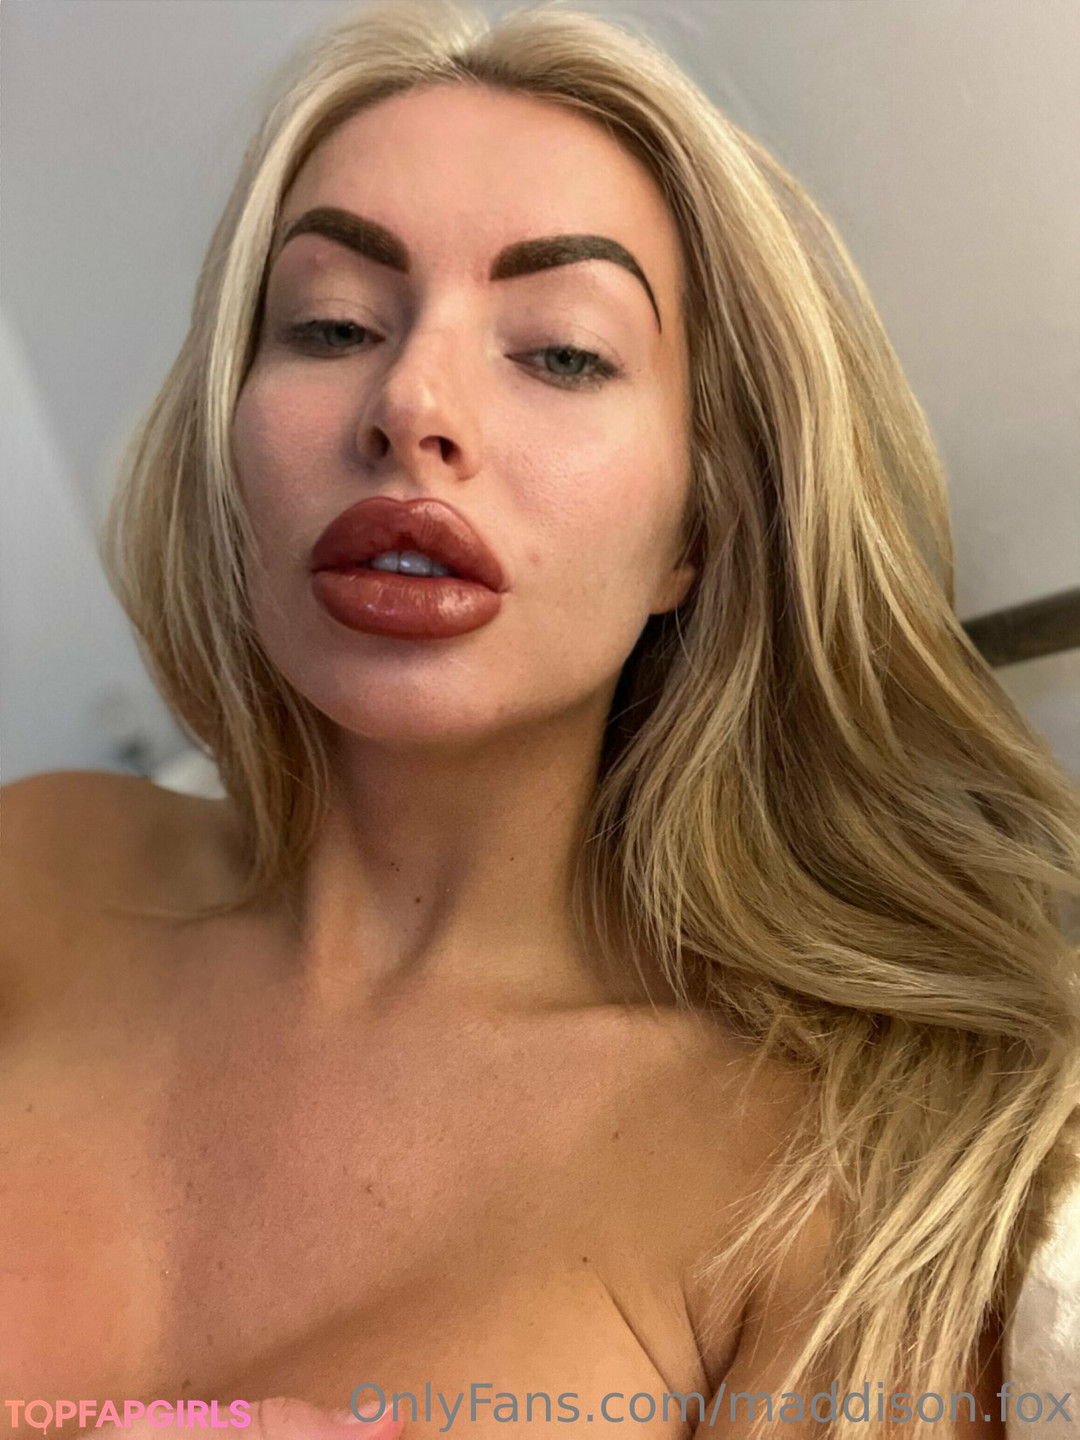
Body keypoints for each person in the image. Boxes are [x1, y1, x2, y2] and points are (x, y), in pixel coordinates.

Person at [3, 1, 1078, 1436]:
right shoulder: (37, 871)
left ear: (698, 530)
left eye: (564, 352)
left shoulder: (844, 1188)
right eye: (330, 323)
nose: (409, 402)